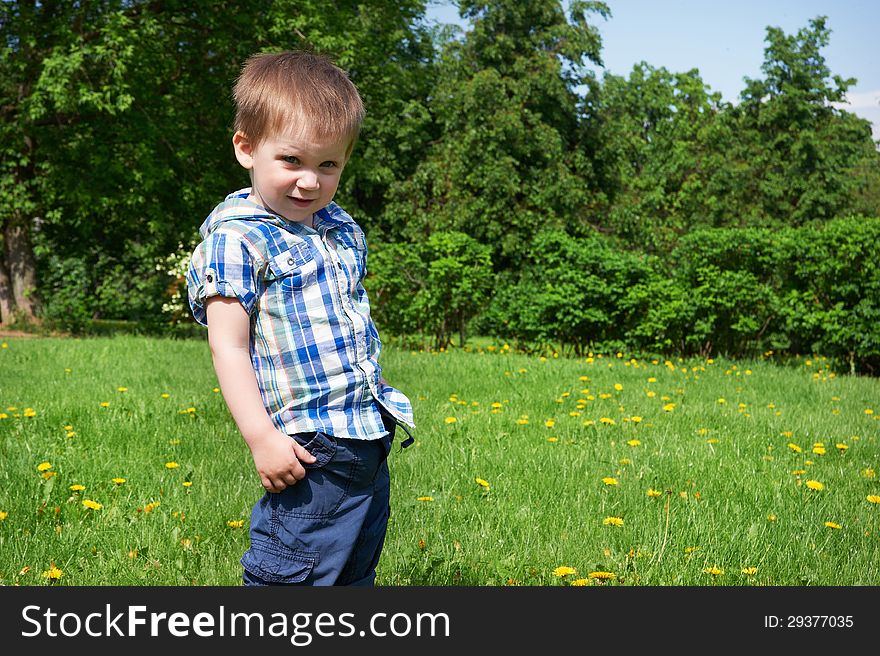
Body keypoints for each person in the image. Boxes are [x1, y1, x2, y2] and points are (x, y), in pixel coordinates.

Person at [185, 50, 414, 586]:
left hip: (365, 436)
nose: (310, 181)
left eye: (328, 165)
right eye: (292, 161)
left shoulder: (338, 229)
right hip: (307, 446)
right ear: (247, 147)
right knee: (291, 577)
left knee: (353, 573)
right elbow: (229, 348)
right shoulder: (237, 241)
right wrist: (262, 439)